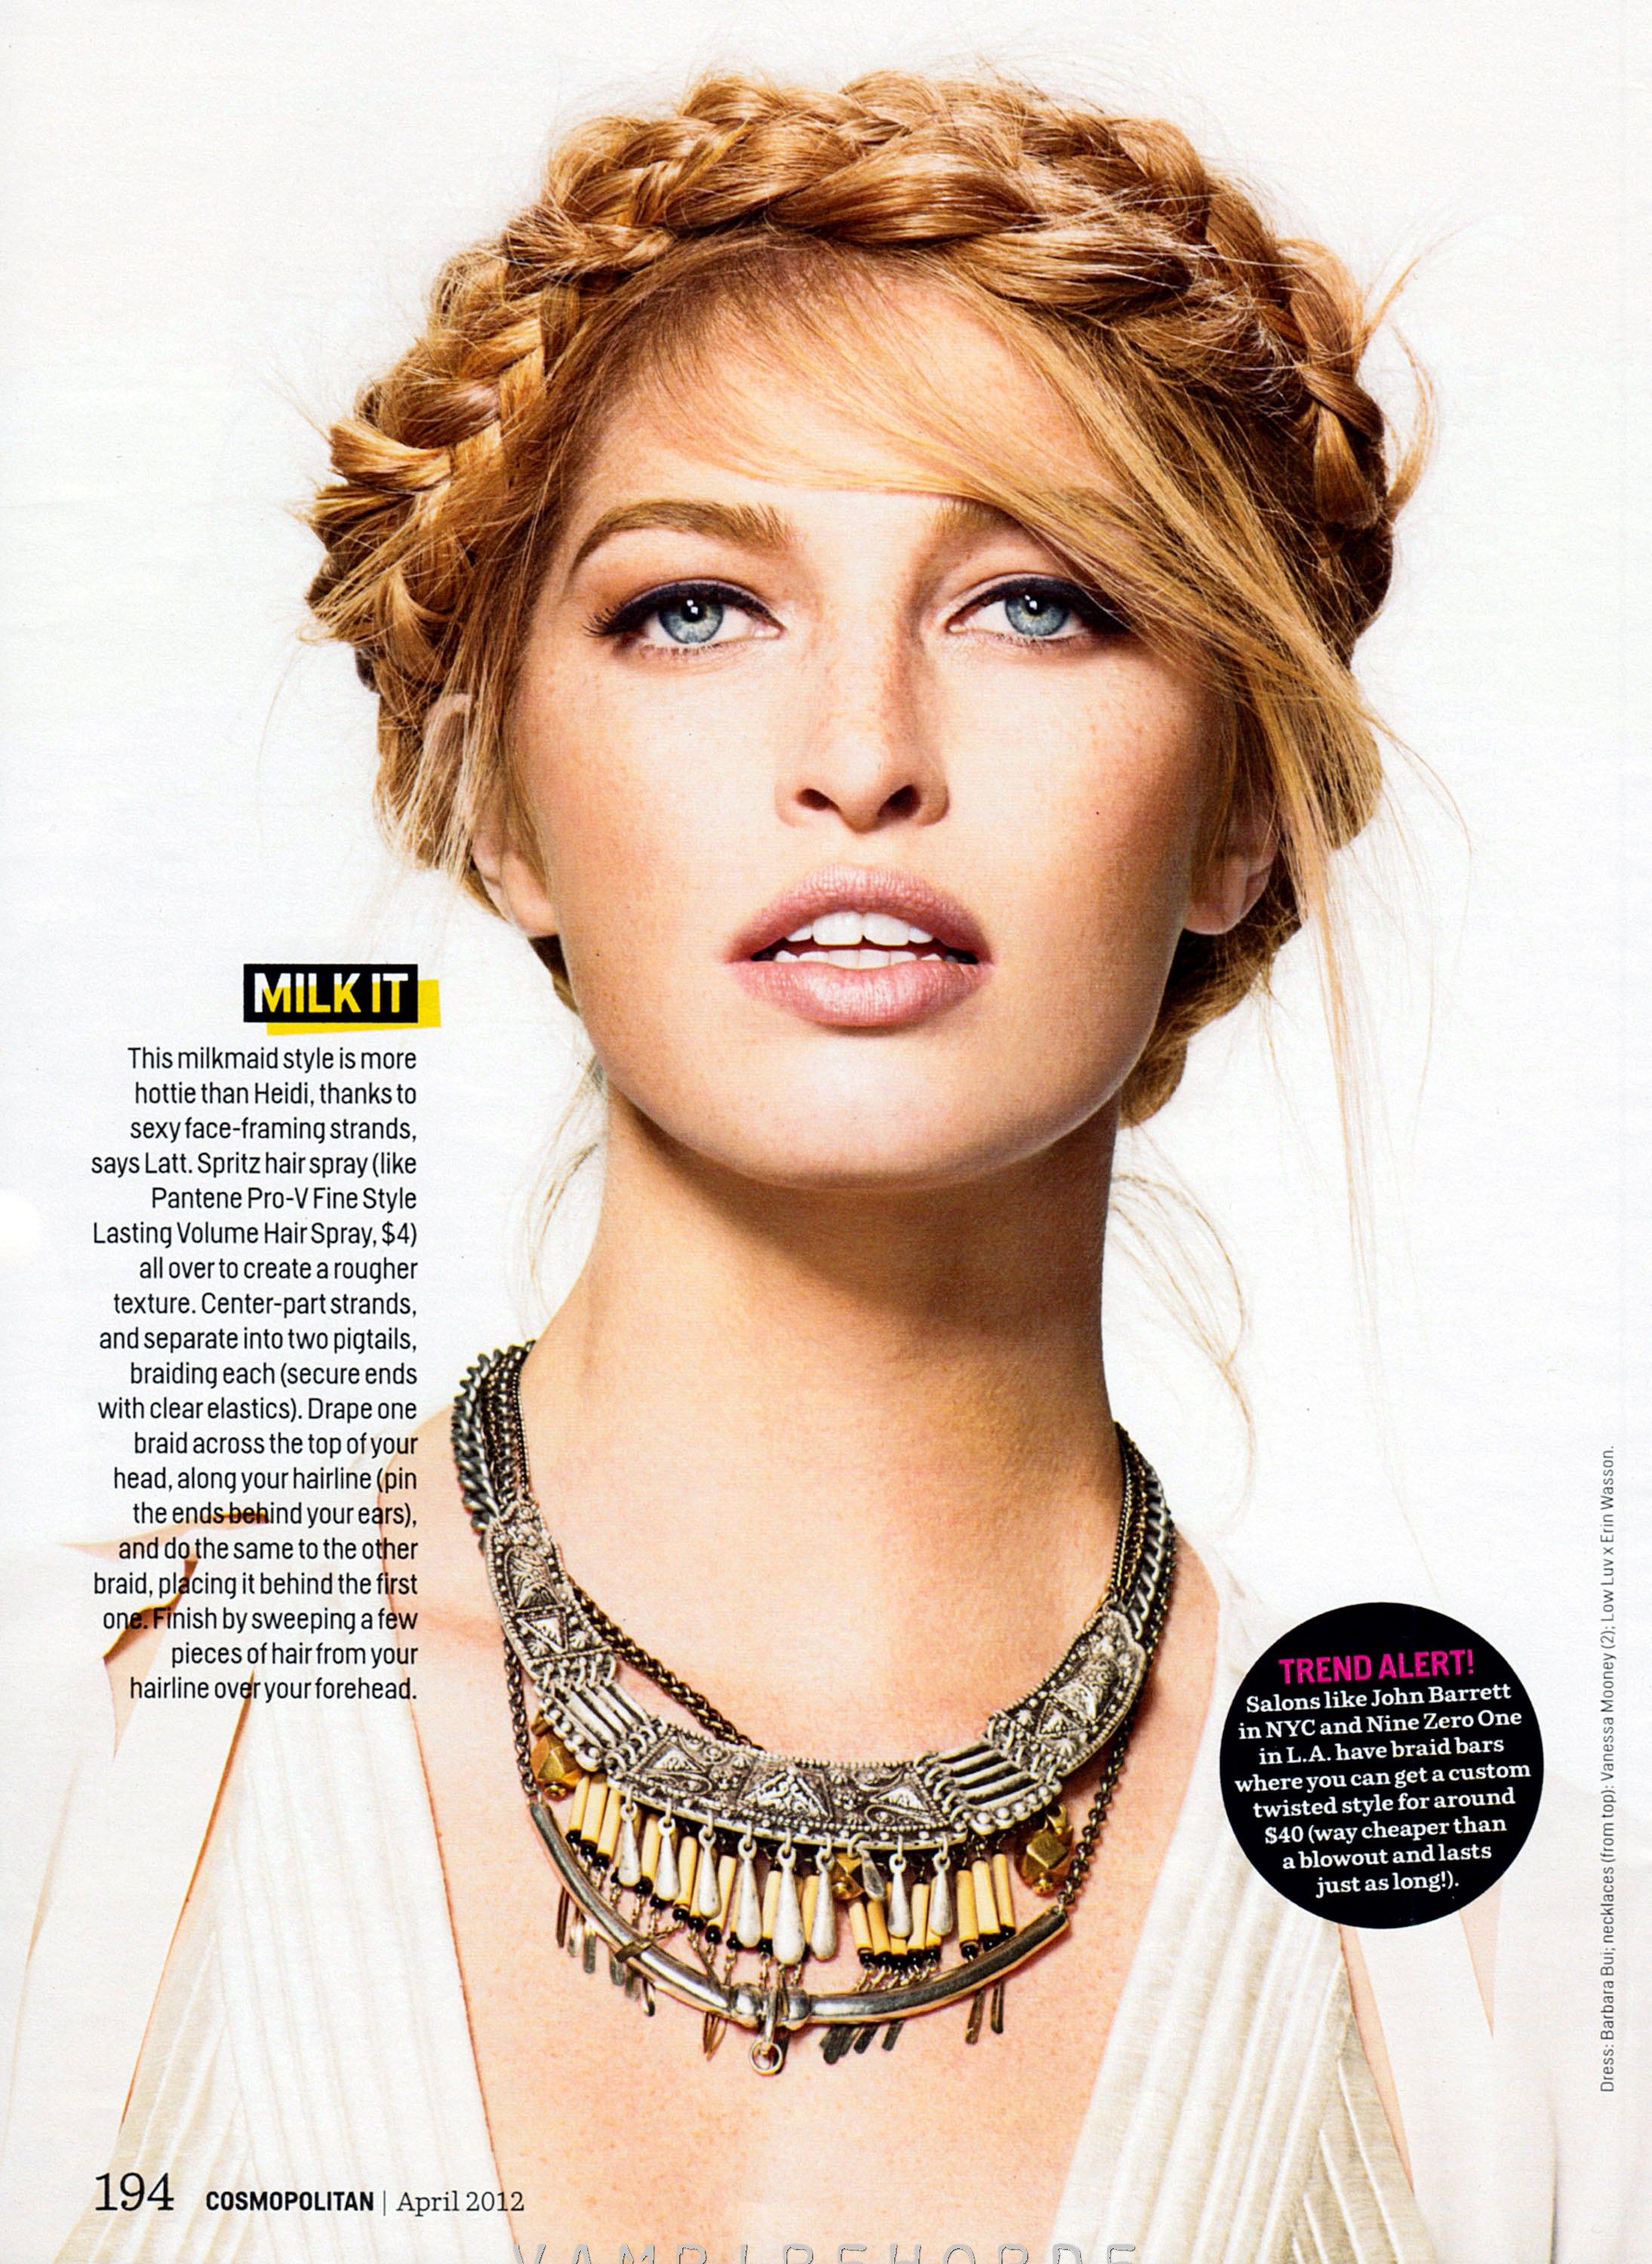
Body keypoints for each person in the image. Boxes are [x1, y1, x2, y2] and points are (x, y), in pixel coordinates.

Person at [3, 66, 1635, 2264]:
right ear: (495, 806)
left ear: (1240, 814)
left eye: (1041, 604)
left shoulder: (1521, 1978)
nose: (865, 757)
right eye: (695, 608)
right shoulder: (58, 1768)